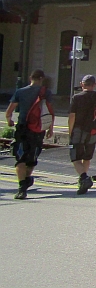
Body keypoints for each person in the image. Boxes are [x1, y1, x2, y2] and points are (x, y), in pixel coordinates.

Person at [4, 69, 55, 200]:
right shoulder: (46, 93)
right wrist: (50, 128)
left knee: (20, 158)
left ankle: (22, 187)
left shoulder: (20, 92)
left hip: (22, 128)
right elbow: (48, 111)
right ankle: (26, 180)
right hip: (38, 130)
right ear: (41, 79)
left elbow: (9, 111)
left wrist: (10, 121)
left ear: (30, 78)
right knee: (31, 159)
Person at [68, 74, 96, 195]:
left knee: (75, 157)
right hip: (93, 130)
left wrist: (70, 131)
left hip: (78, 130)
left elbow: (72, 116)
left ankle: (84, 178)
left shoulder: (76, 97)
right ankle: (83, 182)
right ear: (94, 85)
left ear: (82, 84)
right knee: (87, 157)